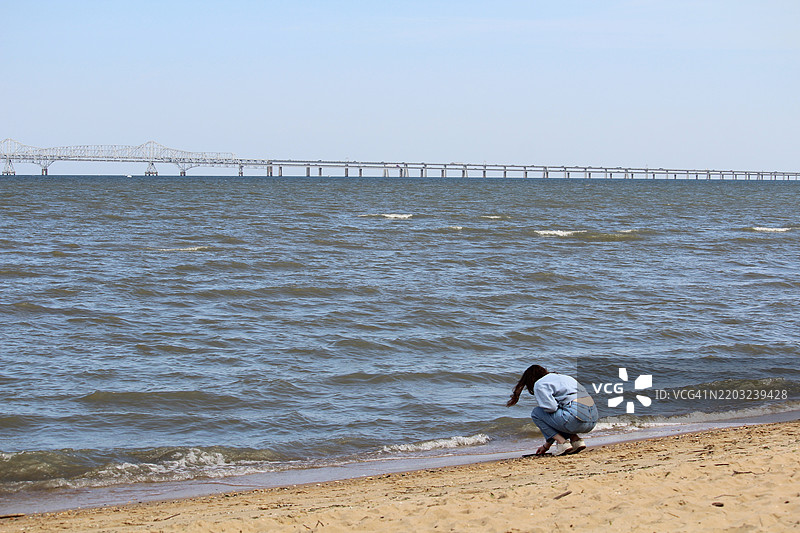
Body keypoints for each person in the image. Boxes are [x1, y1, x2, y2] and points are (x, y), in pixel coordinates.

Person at [506, 364, 599, 456]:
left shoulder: (539, 383)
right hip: (592, 420)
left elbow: (551, 408)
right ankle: (576, 440)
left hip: (575, 420)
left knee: (537, 413)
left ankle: (562, 443)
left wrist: (547, 444)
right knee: (563, 411)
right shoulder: (565, 377)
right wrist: (546, 446)